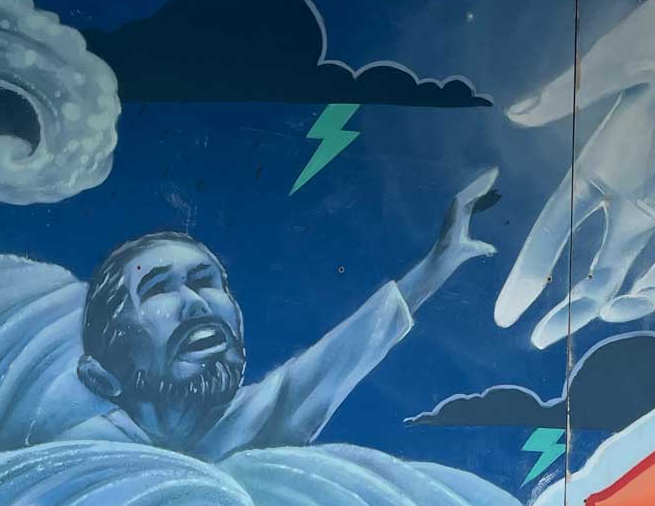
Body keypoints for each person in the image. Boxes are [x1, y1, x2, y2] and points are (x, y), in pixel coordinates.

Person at [71, 169, 498, 459]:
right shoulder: (89, 457)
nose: (197, 302)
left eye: (205, 280)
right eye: (158, 288)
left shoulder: (251, 422)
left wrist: (440, 261)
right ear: (101, 377)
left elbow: (346, 351)